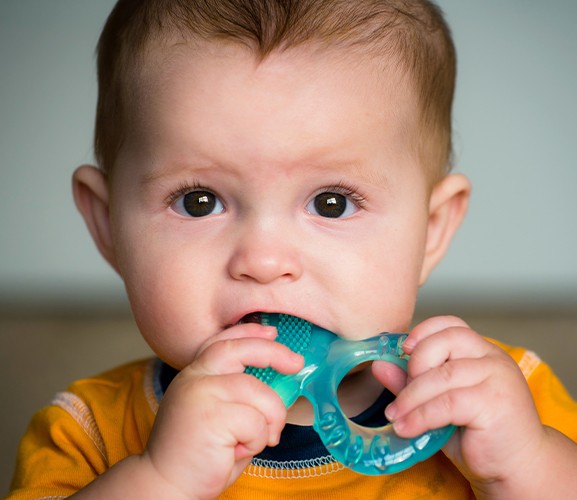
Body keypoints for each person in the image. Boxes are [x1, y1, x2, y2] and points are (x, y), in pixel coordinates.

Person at [8, 0, 577, 498]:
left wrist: (525, 466)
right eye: (199, 202)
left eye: (332, 203)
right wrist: (160, 480)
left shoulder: (504, 397)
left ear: (431, 229)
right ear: (108, 226)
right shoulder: (89, 431)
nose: (263, 261)